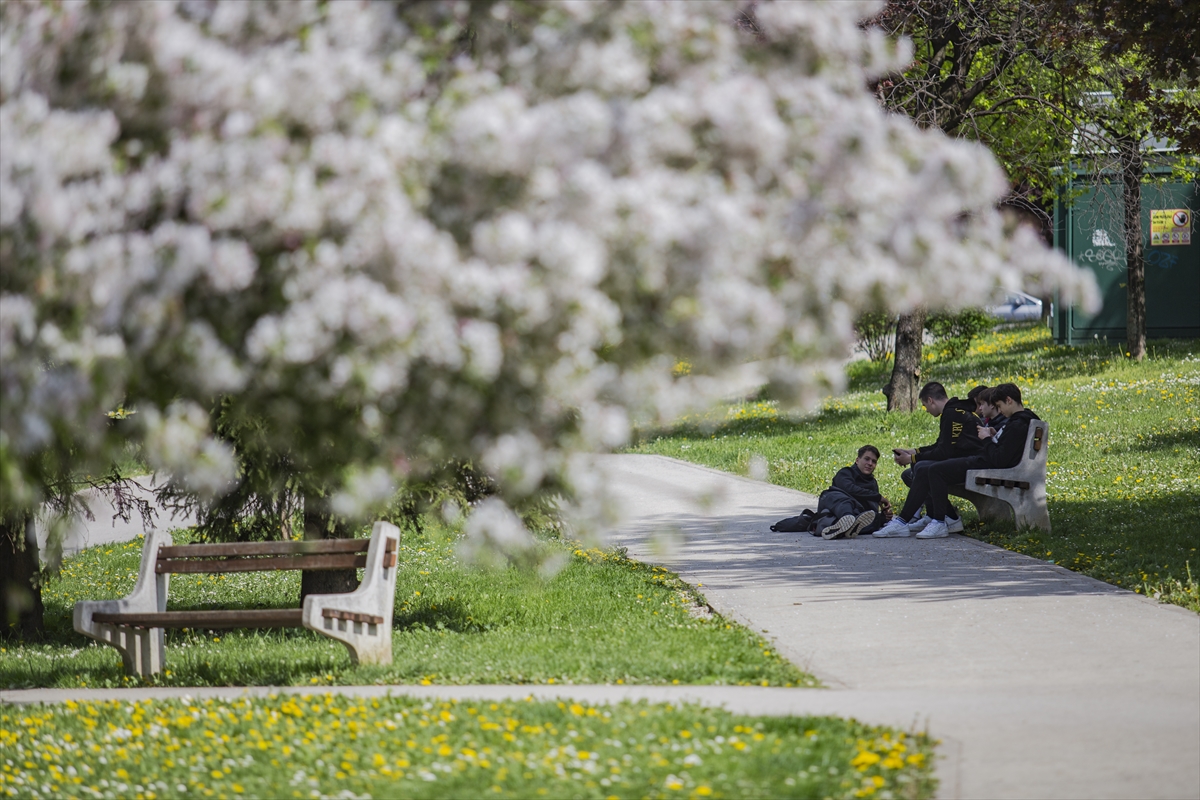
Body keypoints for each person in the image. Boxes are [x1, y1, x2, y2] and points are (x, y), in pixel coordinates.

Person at [878, 383, 1041, 540]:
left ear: (1009, 400)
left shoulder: (1018, 423)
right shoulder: (1022, 420)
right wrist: (992, 435)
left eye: (999, 405)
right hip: (985, 460)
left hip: (988, 464)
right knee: (923, 467)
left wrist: (986, 439)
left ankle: (939, 521)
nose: (1000, 410)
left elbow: (998, 458)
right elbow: (1003, 449)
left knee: (934, 470)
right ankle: (906, 521)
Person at [881, 382, 983, 536]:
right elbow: (942, 446)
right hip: (964, 459)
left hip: (974, 462)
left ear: (931, 400)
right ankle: (943, 517)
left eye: (924, 405)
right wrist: (913, 452)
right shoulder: (953, 411)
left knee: (924, 468)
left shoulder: (953, 413)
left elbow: (944, 452)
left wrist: (912, 458)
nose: (926, 410)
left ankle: (918, 521)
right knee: (920, 467)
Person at [770, 445, 891, 539]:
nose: (870, 463)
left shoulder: (872, 483)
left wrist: (883, 517)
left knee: (873, 518)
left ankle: (842, 529)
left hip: (856, 513)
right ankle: (847, 520)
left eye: (874, 462)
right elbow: (850, 489)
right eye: (867, 459)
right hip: (836, 505)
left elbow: (870, 511)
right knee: (835, 496)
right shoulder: (845, 473)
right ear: (857, 460)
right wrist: (878, 497)